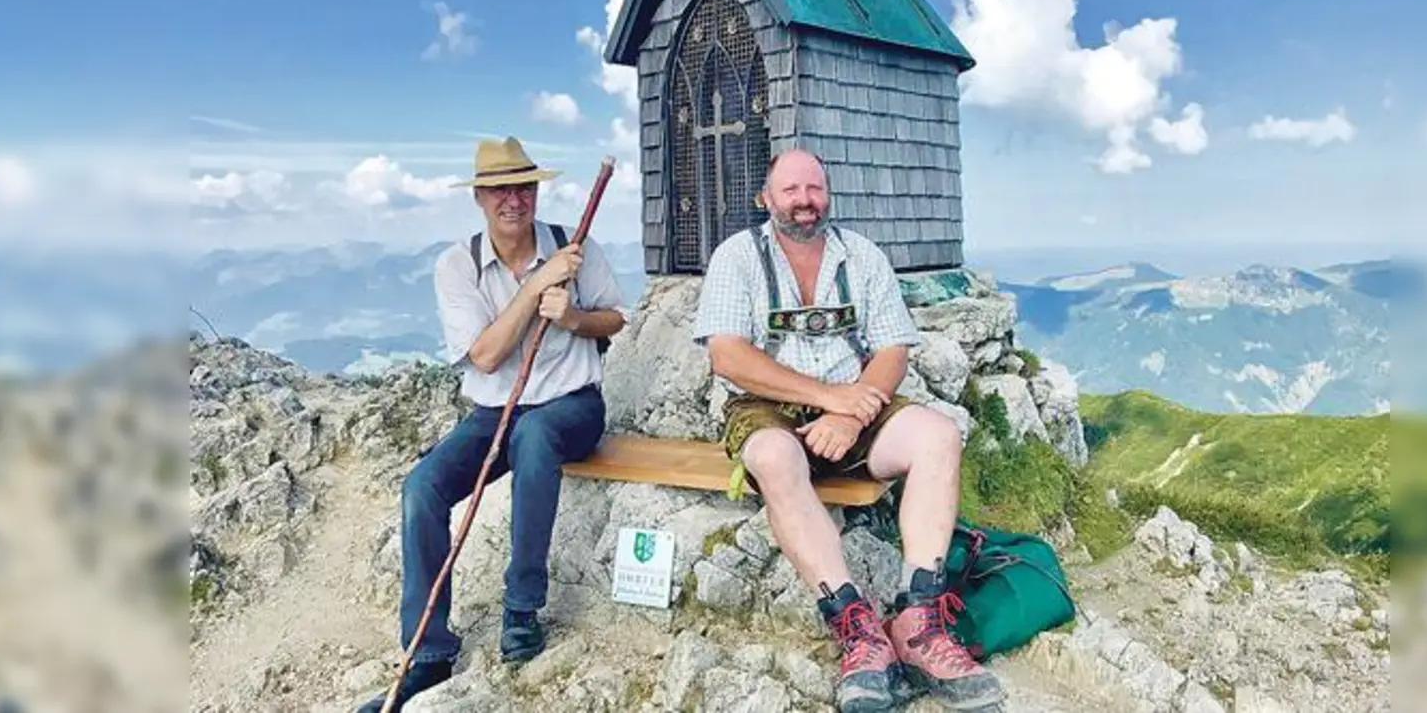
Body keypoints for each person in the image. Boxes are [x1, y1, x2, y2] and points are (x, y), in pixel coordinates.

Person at [691, 149, 1005, 713]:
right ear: (765, 198)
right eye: (791, 190)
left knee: (938, 435)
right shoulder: (736, 257)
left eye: (814, 188)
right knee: (772, 457)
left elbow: (891, 350)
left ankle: (919, 623)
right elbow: (729, 356)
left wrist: (850, 412)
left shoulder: (861, 255)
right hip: (767, 407)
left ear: (827, 194)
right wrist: (825, 398)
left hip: (858, 401)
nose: (805, 201)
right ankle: (856, 629)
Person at [355, 137, 627, 713]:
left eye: (524, 186)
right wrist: (535, 286)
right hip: (492, 410)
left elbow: (615, 318)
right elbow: (485, 355)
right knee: (422, 487)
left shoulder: (575, 246)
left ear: (536, 191)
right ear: (480, 197)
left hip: (571, 404)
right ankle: (427, 652)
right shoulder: (457, 265)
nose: (515, 199)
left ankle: (522, 607)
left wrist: (574, 317)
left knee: (535, 437)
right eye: (501, 189)